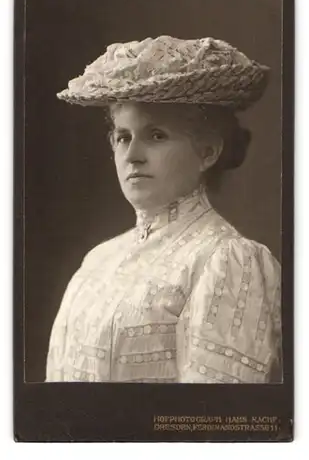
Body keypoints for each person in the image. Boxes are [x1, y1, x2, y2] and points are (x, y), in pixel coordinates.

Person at [46, 35, 282, 383]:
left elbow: (210, 419)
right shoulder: (97, 261)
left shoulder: (227, 260)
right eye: (123, 137)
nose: (133, 155)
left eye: (156, 135)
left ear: (208, 152)